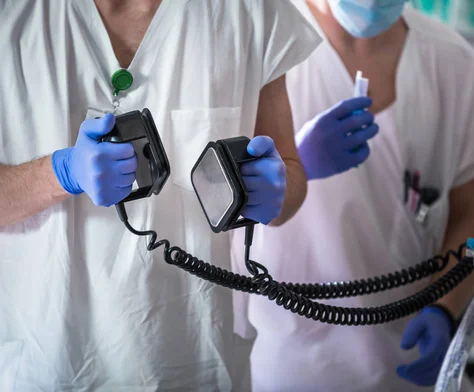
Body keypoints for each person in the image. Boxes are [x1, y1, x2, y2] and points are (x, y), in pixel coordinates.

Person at [0, 0, 321, 390]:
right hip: (51, 365)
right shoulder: (12, 16)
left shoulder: (253, 11)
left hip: (197, 360)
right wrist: (60, 172)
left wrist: (275, 191)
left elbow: (290, 173)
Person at [231, 0, 474, 390]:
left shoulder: (452, 65)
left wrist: (445, 308)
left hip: (409, 361)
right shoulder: (267, 41)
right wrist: (297, 167)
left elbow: (470, 216)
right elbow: (214, 199)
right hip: (291, 361)